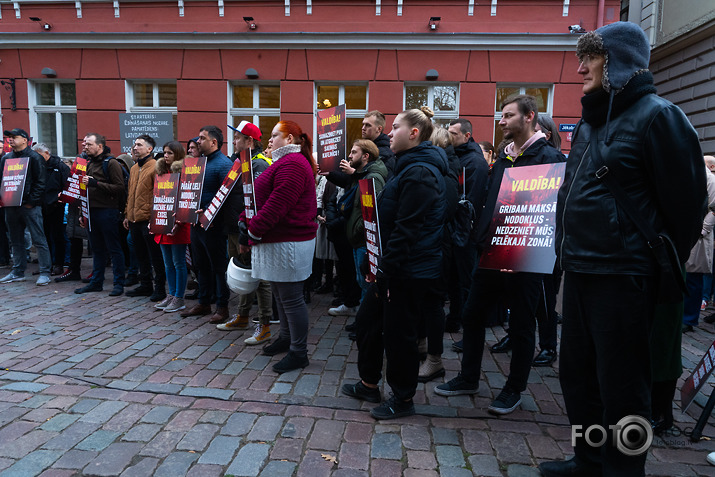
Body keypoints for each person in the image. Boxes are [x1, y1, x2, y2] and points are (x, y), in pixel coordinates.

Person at [541, 22, 705, 477]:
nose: (580, 67)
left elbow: (687, 207)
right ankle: (589, 459)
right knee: (579, 378)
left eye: (590, 57)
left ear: (617, 60)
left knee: (625, 387)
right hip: (580, 270)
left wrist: (645, 256)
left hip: (625, 277)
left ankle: (624, 470)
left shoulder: (658, 116)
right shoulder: (595, 123)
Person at [435, 95, 565, 417]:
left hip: (527, 256)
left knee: (522, 324)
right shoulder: (505, 159)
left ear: (529, 117)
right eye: (501, 116)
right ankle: (469, 377)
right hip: (493, 250)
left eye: (508, 116)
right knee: (472, 314)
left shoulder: (550, 157)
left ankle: (514, 388)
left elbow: (555, 209)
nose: (502, 121)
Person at [343, 107, 448, 420]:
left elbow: (407, 230)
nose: (390, 132)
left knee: (399, 335)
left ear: (414, 133)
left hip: (408, 270)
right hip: (393, 266)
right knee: (368, 323)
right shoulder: (409, 166)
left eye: (397, 127)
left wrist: (385, 269)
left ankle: (403, 398)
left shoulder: (420, 172)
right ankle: (369, 383)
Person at [239, 120, 318, 373]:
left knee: (291, 298)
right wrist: (244, 219)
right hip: (279, 241)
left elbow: (277, 204)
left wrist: (252, 229)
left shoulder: (293, 164)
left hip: (290, 241)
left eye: (275, 136)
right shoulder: (284, 163)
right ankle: (286, 338)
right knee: (280, 295)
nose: (270, 140)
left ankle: (299, 351)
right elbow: (259, 198)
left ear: (291, 140)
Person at [218, 121, 276, 346]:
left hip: (249, 231)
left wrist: (248, 233)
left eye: (237, 138)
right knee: (242, 273)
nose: (234, 141)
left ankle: (265, 325)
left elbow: (258, 204)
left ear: (249, 141)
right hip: (235, 227)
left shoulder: (259, 165)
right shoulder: (241, 162)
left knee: (260, 277)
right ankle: (242, 316)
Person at [325, 139, 388, 308]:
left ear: (366, 156)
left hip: (363, 240)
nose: (350, 156)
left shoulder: (372, 178)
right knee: (361, 282)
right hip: (357, 239)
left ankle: (368, 324)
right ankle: (363, 320)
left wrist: (358, 230)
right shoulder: (360, 176)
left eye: (354, 152)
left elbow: (372, 213)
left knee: (367, 284)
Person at [180, 126, 233, 323]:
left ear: (214, 143)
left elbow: (227, 197)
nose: (198, 141)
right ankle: (203, 302)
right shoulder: (197, 164)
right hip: (196, 224)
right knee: (200, 265)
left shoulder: (223, 164)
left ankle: (222, 306)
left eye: (202, 138)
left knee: (218, 267)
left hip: (213, 226)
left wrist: (211, 215)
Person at [445, 118, 489, 333]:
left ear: (466, 136)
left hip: (466, 233)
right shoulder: (457, 157)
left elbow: (469, 201)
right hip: (456, 230)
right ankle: (455, 318)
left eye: (453, 133)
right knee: (453, 280)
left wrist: (461, 234)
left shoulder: (474, 162)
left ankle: (469, 324)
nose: (448, 136)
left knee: (466, 281)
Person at [73, 133, 126, 296]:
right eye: (84, 144)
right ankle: (96, 282)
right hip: (91, 211)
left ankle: (119, 283)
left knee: (114, 248)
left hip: (107, 211)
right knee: (97, 249)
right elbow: (84, 189)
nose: (85, 146)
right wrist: (83, 212)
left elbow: (119, 187)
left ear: (100, 146)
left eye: (89, 144)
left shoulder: (111, 163)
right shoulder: (88, 163)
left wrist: (96, 183)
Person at [0, 128, 52, 286]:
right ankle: (17, 271)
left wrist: (32, 202)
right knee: (15, 240)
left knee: (39, 239)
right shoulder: (6, 158)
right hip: (10, 204)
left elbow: (41, 182)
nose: (10, 140)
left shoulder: (35, 157)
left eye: (14, 137)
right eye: (9, 137)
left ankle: (45, 272)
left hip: (29, 206)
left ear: (24, 139)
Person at [123, 134, 166, 302]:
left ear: (150, 149)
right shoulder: (134, 168)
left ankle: (160, 288)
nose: (135, 147)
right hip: (134, 219)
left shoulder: (156, 166)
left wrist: (155, 217)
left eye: (139, 145)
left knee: (155, 256)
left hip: (149, 219)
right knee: (140, 255)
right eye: (134, 145)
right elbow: (130, 194)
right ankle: (145, 285)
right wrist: (127, 214)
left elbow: (160, 194)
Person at [152, 141, 190, 313]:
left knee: (178, 263)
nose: (165, 156)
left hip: (178, 226)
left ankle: (179, 297)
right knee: (168, 263)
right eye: (164, 152)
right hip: (163, 224)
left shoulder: (184, 174)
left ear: (178, 155)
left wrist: (179, 221)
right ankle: (172, 294)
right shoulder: (161, 174)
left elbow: (187, 199)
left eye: (169, 153)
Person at [33, 142, 70, 276]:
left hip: (56, 206)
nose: (36, 158)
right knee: (43, 237)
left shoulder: (60, 167)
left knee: (57, 236)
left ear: (47, 154)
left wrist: (62, 196)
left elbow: (67, 184)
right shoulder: (36, 166)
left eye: (39, 155)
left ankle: (58, 264)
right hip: (40, 206)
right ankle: (45, 265)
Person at [361, 110, 396, 177]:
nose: (363, 128)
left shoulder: (384, 154)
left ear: (379, 129)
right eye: (363, 124)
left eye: (368, 125)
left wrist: (354, 173)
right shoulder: (365, 148)